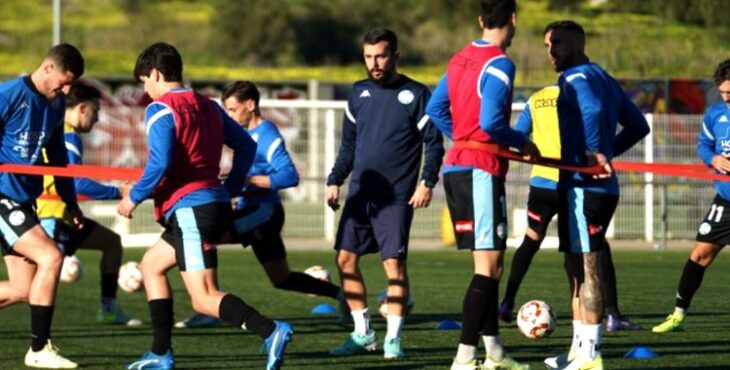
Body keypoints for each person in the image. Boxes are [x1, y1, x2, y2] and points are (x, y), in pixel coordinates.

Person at [118, 42, 292, 370]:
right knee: (151, 267)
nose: (145, 89)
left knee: (203, 297)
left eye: (145, 80)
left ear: (155, 73)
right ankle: (160, 353)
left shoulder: (160, 109)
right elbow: (245, 146)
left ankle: (270, 330)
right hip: (208, 205)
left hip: (190, 210)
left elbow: (160, 163)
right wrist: (231, 186)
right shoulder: (210, 106)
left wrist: (134, 197)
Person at [175, 80, 346, 329]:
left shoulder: (266, 134)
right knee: (281, 278)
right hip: (251, 210)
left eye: (233, 110)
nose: (230, 116)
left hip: (262, 212)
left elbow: (289, 175)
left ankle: (209, 306)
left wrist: (249, 181)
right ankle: (344, 296)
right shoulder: (243, 134)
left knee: (205, 236)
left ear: (251, 105)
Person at [425, 1, 537, 369]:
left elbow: (437, 109)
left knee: (493, 264)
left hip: (460, 166)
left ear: (480, 20)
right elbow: (491, 122)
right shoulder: (501, 63)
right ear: (513, 20)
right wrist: (520, 142)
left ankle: (495, 353)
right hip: (479, 170)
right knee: (486, 268)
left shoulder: (459, 58)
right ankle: (464, 358)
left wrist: (462, 137)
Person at [325, 28, 444, 360]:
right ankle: (363, 333)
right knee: (345, 259)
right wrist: (335, 179)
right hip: (361, 193)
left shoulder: (417, 94)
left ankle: (393, 339)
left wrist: (427, 182)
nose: (374, 63)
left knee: (393, 265)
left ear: (395, 56)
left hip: (395, 197)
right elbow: (349, 145)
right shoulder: (357, 93)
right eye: (368, 57)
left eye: (380, 56)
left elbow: (433, 144)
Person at [541, 21, 649, 370]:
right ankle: (577, 351)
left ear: (576, 42)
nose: (550, 51)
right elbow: (639, 126)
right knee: (574, 268)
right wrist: (606, 153)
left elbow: (592, 110)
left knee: (588, 270)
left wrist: (592, 154)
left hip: (584, 188)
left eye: (556, 42)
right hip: (596, 185)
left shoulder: (573, 78)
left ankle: (590, 356)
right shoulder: (603, 77)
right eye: (546, 44)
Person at [498, 85, 641, 333]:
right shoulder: (585, 97)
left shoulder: (536, 99)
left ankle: (507, 302)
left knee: (531, 240)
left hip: (542, 184)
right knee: (593, 246)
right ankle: (612, 314)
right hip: (574, 183)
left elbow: (519, 135)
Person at [0, 43, 85, 369]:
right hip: (2, 198)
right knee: (51, 256)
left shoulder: (57, 102)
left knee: (24, 288)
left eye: (70, 84)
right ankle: (39, 349)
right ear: (47, 68)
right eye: (63, 81)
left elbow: (58, 159)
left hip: (24, 200)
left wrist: (71, 204)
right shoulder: (8, 95)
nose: (65, 90)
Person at [31, 81, 142, 327]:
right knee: (27, 287)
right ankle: (41, 346)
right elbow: (78, 183)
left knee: (111, 243)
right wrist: (119, 191)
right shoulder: (68, 133)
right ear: (82, 108)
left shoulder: (56, 129)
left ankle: (109, 311)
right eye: (95, 110)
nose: (98, 118)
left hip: (64, 215)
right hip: (50, 216)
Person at [652, 59, 730, 334]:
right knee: (699, 255)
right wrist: (714, 158)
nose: (727, 98)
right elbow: (703, 146)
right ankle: (677, 316)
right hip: (725, 202)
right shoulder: (715, 114)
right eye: (723, 93)